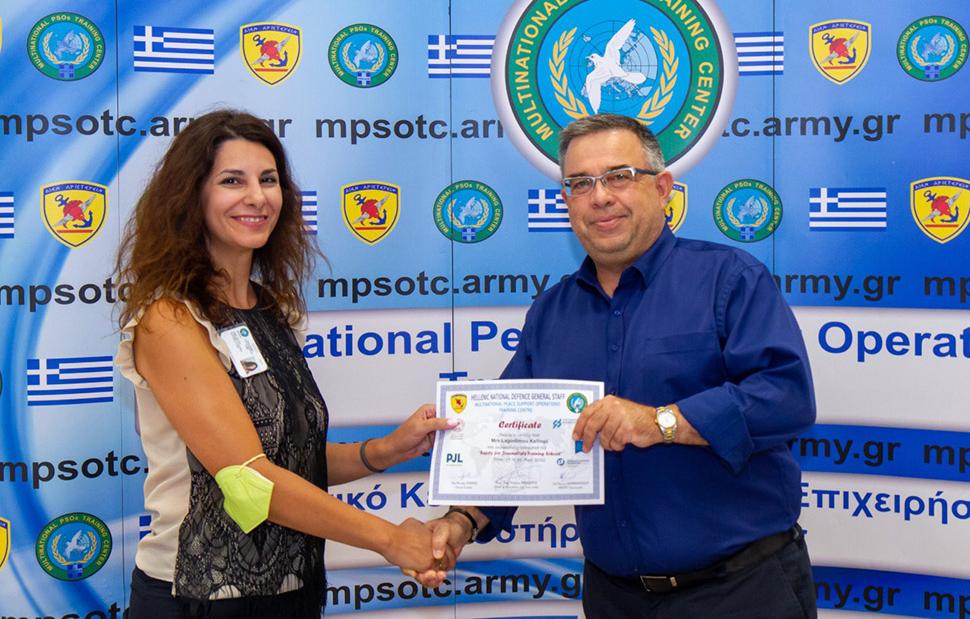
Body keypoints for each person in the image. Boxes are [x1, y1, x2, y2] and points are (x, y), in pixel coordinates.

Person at [422, 113, 818, 618]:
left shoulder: (729, 279)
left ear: (663, 188)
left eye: (619, 176)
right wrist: (461, 521)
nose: (600, 197)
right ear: (567, 201)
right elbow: (514, 439)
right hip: (613, 599)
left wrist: (660, 422)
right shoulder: (552, 312)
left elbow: (785, 397)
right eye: (580, 183)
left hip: (740, 593)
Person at [115, 110, 450, 617]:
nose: (257, 197)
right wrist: (389, 538)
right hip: (200, 598)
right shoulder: (170, 319)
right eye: (233, 181)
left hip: (295, 591)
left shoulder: (272, 309)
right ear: (191, 196)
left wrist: (384, 450)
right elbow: (248, 481)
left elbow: (291, 459)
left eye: (268, 180)